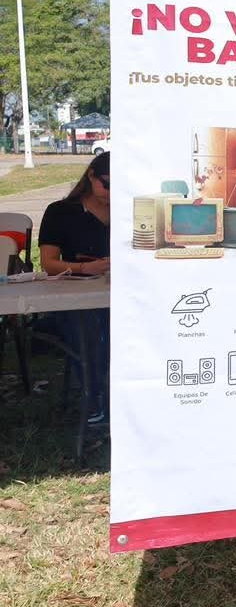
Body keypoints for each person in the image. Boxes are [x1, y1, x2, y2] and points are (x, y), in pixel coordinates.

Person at [38, 151, 111, 425]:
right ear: (91, 176)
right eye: (107, 184)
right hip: (74, 296)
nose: (112, 193)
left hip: (116, 294)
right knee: (89, 328)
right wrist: (83, 268)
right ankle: (95, 397)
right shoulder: (60, 212)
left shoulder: (130, 210)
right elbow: (48, 263)